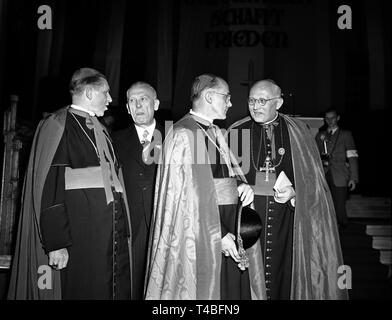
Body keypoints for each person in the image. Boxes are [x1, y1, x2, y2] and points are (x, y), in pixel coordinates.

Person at [8, 68, 132, 299]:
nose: (110, 99)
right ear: (89, 93)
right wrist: (56, 243)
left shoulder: (101, 129)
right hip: (78, 236)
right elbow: (48, 187)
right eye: (105, 92)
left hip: (106, 233)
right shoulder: (57, 125)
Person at [145, 74, 266, 300]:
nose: (230, 103)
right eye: (226, 97)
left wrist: (240, 185)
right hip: (204, 233)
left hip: (226, 222)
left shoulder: (212, 131)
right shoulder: (184, 134)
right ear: (210, 97)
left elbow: (216, 176)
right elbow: (188, 197)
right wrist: (219, 234)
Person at [227, 79, 347, 300]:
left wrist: (295, 194)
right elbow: (222, 179)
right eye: (252, 100)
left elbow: (313, 182)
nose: (256, 106)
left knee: (284, 280)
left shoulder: (298, 132)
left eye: (262, 100)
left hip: (287, 222)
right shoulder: (236, 131)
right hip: (247, 220)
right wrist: (238, 186)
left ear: (279, 103)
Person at [112, 82, 163, 299]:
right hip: (128, 226)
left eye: (143, 99)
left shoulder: (174, 135)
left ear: (156, 104)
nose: (138, 105)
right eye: (132, 101)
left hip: (164, 223)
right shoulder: (113, 139)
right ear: (126, 107)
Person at [315, 109, 359, 228]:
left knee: (339, 206)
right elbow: (315, 155)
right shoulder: (320, 135)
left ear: (338, 118)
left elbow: (352, 156)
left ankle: (343, 229)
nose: (330, 120)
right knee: (323, 205)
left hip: (340, 174)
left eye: (332, 118)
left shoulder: (346, 134)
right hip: (323, 174)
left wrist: (353, 178)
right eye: (327, 118)